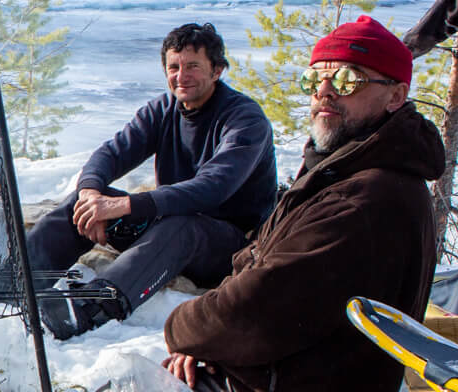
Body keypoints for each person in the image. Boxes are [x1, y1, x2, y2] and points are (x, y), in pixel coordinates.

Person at [162, 16, 444, 392]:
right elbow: (257, 262)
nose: (326, 91)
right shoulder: (343, 170)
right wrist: (210, 342)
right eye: (317, 78)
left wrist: (184, 330)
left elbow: (259, 307)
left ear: (396, 96)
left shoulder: (369, 198)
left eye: (348, 79)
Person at [28, 22, 277, 339]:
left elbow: (212, 187)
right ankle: (20, 278)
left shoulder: (245, 119)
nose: (181, 76)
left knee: (181, 226)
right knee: (86, 201)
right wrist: (91, 194)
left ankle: (91, 307)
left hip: (228, 244)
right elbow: (112, 153)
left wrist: (126, 205)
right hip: (167, 227)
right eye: (174, 67)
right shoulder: (164, 108)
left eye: (193, 67)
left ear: (217, 71)